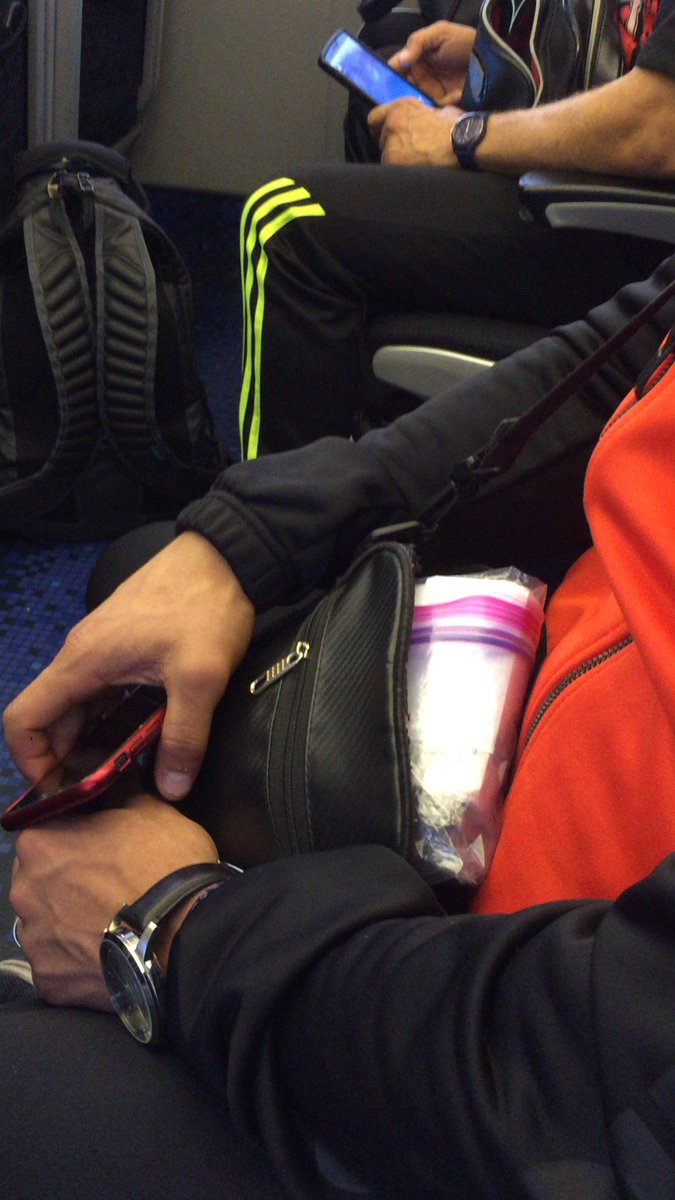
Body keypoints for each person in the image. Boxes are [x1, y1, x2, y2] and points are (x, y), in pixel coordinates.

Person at [3, 252, 675, 1198]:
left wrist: (179, 933)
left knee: (27, 1094)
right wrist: (241, 543)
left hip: (532, 1021)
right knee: (144, 573)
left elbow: (600, 1083)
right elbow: (627, 356)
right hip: (536, 708)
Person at [238, 2, 675, 457]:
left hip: (634, 246)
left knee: (289, 218)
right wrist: (501, 60)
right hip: (599, 205)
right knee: (378, 134)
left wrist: (463, 136)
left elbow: (658, 126)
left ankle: (272, 501)